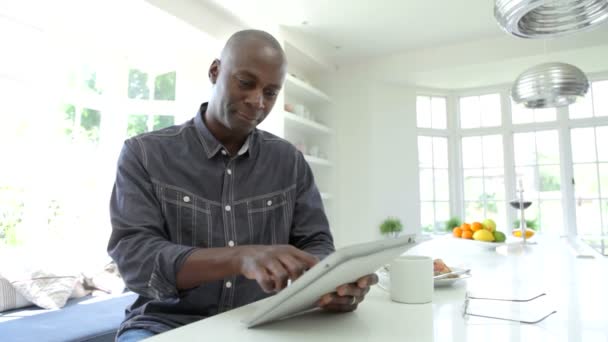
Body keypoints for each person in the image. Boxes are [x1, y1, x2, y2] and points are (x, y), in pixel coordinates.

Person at [107, 29, 377, 342]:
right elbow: (136, 260)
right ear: (215, 72)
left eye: (271, 92)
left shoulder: (289, 161)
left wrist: (331, 285)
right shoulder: (144, 153)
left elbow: (315, 243)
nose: (257, 101)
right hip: (164, 326)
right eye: (246, 83)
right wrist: (239, 258)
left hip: (261, 323)